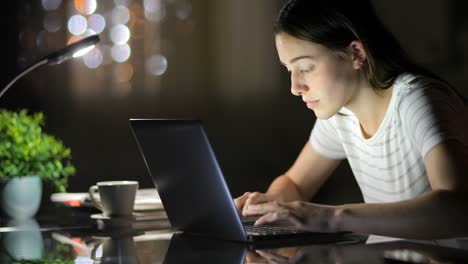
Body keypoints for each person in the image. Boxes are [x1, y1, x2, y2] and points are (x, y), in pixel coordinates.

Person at [234, 0, 468, 240]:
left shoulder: (415, 100)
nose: (294, 87)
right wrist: (267, 206)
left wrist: (333, 218)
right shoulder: (341, 113)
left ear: (356, 53)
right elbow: (295, 183)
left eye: (305, 67)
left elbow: (457, 208)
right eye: (288, 70)